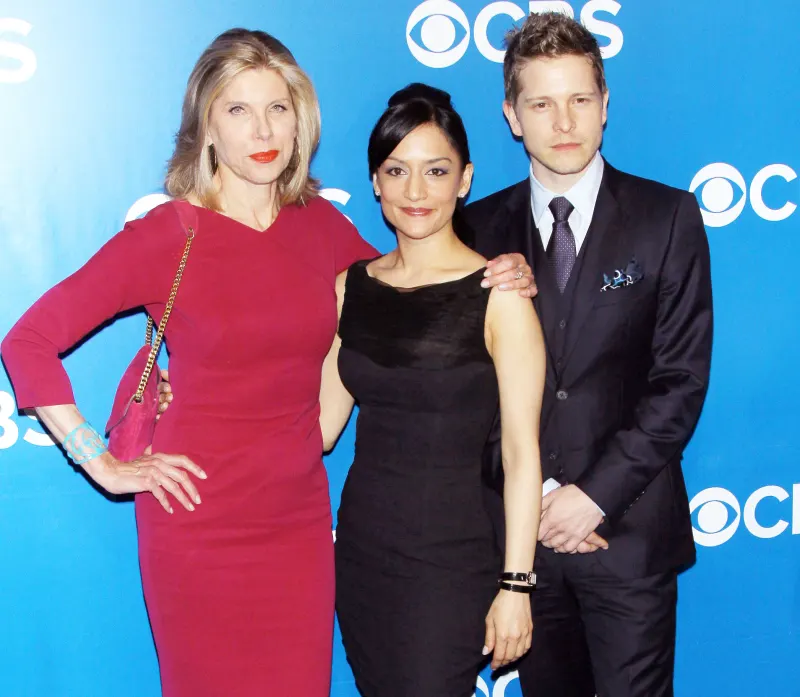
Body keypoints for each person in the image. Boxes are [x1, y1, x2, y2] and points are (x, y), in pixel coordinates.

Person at [0, 30, 533, 697]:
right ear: (207, 129)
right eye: (238, 110)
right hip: (195, 519)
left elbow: (416, 276)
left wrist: (498, 268)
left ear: (300, 119)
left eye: (277, 108)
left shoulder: (320, 227)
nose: (262, 129)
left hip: (298, 522)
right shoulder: (168, 234)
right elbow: (27, 340)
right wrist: (99, 460)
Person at [463, 13, 713, 697]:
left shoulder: (668, 218)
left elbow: (680, 380)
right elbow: (466, 392)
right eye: (541, 103)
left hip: (629, 538)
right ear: (513, 115)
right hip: (524, 541)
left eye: (579, 99)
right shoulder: (475, 229)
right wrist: (542, 496)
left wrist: (593, 496)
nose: (563, 120)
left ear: (606, 106)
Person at [318, 83, 545, 697]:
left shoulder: (500, 294)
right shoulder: (350, 289)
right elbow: (318, 427)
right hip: (364, 553)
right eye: (398, 171)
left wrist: (516, 585)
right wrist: (207, 391)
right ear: (375, 182)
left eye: (436, 170)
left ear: (465, 179)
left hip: (454, 559)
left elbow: (525, 452)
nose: (416, 192)